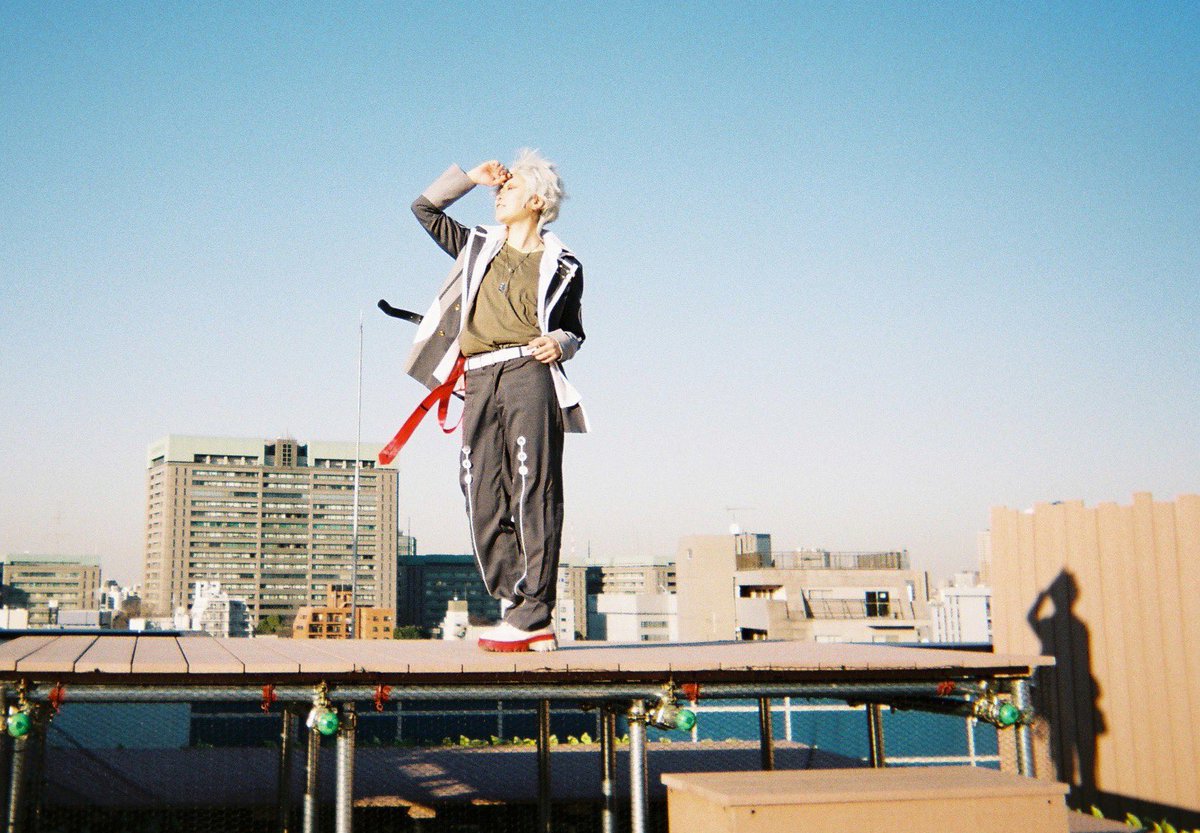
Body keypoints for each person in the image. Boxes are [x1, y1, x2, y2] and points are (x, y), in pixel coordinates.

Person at [405, 150, 587, 652]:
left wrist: (561, 343)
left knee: (533, 485)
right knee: (478, 487)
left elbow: (574, 328)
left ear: (537, 201)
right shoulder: (477, 245)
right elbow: (424, 209)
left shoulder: (565, 264)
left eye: (510, 188)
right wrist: (471, 178)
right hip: (480, 375)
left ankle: (534, 614)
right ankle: (517, 603)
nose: (499, 194)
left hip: (530, 372)